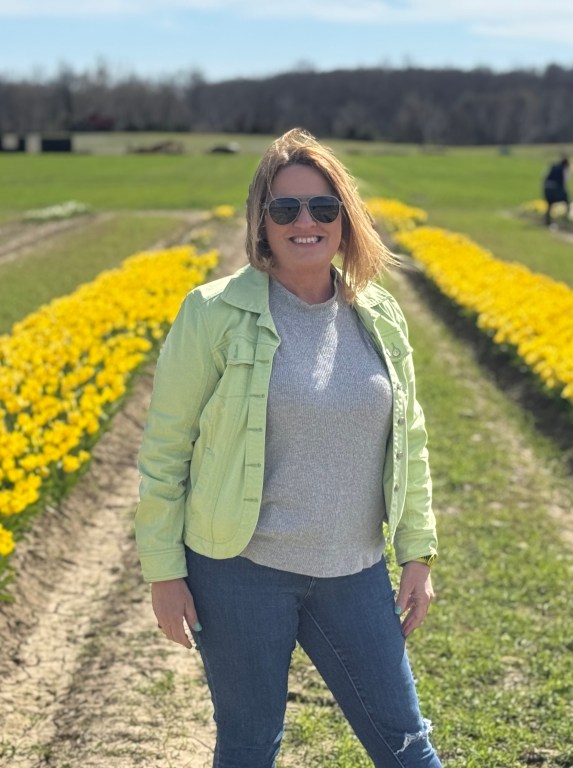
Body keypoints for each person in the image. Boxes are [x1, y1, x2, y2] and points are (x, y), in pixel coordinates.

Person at [134, 127, 442, 768]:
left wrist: (417, 553)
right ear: (262, 222)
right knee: (249, 747)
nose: (306, 222)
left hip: (354, 572)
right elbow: (166, 450)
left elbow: (409, 438)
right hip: (239, 573)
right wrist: (164, 572)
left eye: (323, 207)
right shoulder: (212, 313)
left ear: (345, 218)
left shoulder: (378, 313)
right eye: (286, 208)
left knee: (406, 746)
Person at [542, 154, 572, 226]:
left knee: (550, 204)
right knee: (567, 201)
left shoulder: (553, 167)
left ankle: (547, 220)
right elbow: (563, 182)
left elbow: (544, 178)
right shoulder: (563, 169)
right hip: (556, 188)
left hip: (547, 188)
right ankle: (567, 218)